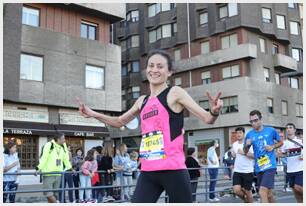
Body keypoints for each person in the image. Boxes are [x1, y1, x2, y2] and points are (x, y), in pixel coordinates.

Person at [77, 49, 223, 203]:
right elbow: (119, 121)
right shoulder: (142, 101)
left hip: (173, 169)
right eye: (151, 66)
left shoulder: (175, 93)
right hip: (148, 171)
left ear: (170, 72)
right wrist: (93, 114)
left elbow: (207, 118)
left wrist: (214, 112)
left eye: (160, 66)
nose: (154, 70)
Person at [243, 110, 283, 203]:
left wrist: (272, 146)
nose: (253, 123)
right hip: (259, 167)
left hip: (270, 166)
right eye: (251, 121)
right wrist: (247, 145)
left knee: (262, 192)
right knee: (268, 194)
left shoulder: (271, 130)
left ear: (261, 119)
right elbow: (245, 151)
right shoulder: (249, 134)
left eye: (255, 120)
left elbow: (281, 142)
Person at [35, 133, 73, 203]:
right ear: (58, 139)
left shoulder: (63, 146)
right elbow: (44, 158)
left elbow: (65, 159)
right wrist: (38, 168)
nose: (64, 140)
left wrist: (70, 168)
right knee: (48, 194)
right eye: (63, 139)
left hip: (58, 173)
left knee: (54, 195)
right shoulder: (49, 145)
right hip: (48, 173)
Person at [281, 123, 303, 203]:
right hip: (290, 170)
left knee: (298, 187)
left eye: (290, 127)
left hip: (300, 169)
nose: (288, 129)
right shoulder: (284, 143)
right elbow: (281, 155)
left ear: (294, 130)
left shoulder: (301, 141)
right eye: (287, 128)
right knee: (296, 192)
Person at [231, 127, 254, 203]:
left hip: (247, 171)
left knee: (248, 192)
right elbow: (235, 156)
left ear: (244, 134)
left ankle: (249, 202)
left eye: (240, 132)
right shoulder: (234, 144)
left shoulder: (248, 143)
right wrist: (233, 154)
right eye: (237, 133)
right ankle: (246, 200)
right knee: (236, 190)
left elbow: (254, 156)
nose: (238, 134)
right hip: (237, 171)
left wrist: (244, 153)